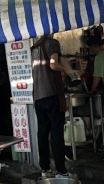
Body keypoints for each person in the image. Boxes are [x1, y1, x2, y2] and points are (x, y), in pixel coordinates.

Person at [32, 34, 76, 176]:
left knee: (43, 132)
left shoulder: (34, 47)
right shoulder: (52, 43)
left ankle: (45, 168)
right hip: (52, 94)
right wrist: (66, 69)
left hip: (38, 96)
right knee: (57, 132)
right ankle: (61, 170)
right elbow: (53, 64)